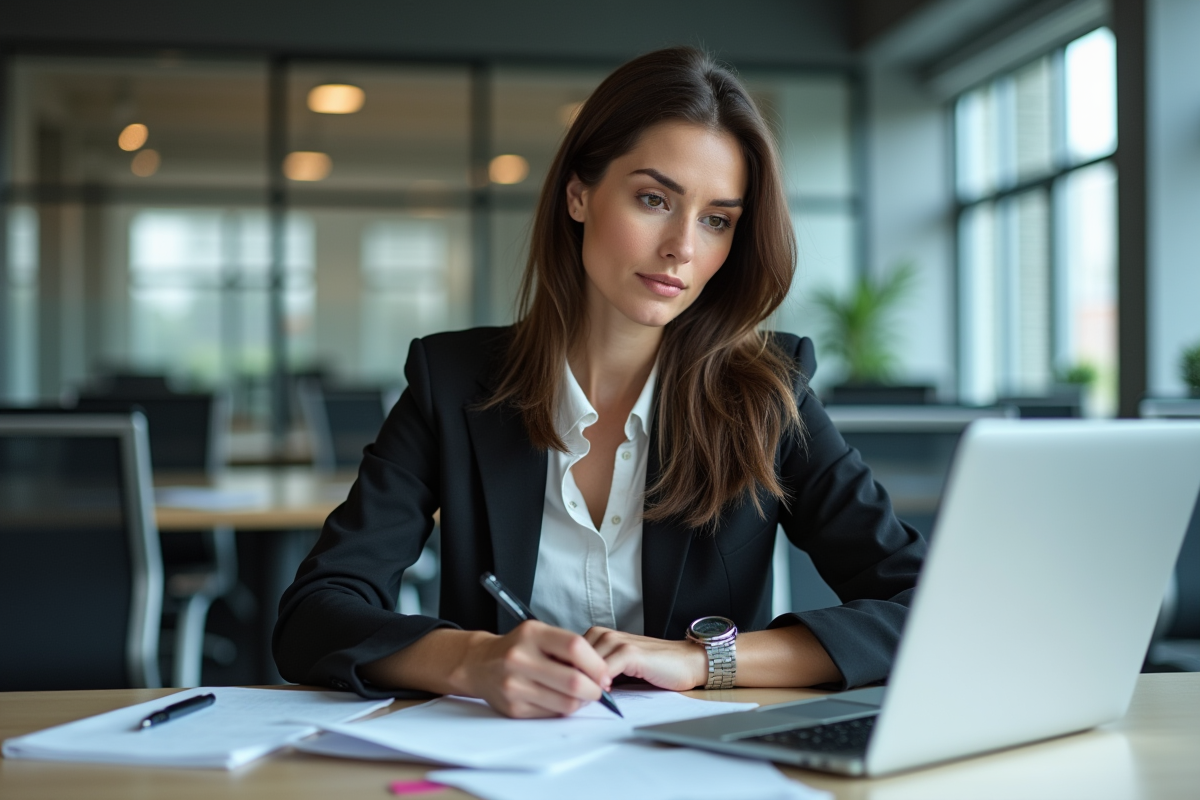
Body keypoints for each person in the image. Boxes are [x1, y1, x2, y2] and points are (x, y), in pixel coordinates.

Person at [274, 47, 925, 719]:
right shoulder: (453, 384)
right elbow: (314, 617)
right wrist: (472, 659)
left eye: (717, 220)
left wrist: (705, 661)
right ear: (579, 194)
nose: (682, 247)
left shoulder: (766, 394)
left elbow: (925, 607)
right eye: (653, 199)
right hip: (497, 764)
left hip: (697, 772)